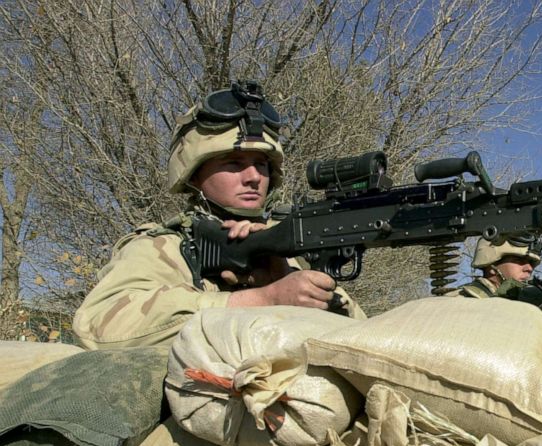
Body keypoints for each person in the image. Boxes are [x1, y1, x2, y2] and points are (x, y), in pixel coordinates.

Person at [72, 81, 363, 350]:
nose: (253, 177)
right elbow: (101, 328)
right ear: (194, 175)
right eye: (234, 163)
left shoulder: (287, 254)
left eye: (261, 165)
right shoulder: (164, 247)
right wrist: (262, 300)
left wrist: (286, 276)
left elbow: (361, 338)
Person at [451, 236, 542, 298]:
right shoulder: (462, 301)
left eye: (531, 263)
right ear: (492, 266)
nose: (529, 268)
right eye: (518, 261)